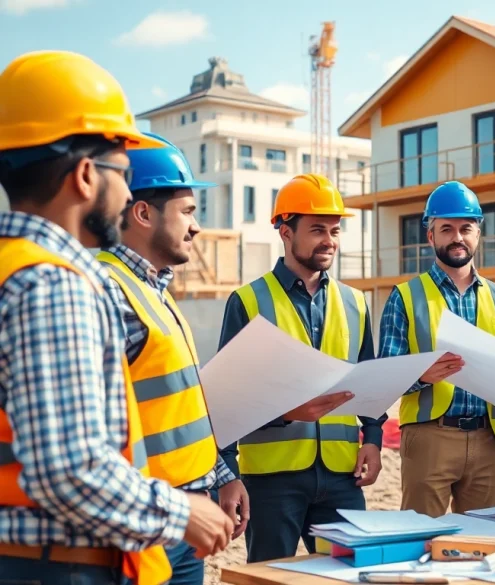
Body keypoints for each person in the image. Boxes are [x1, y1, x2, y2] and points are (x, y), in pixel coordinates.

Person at [0, 50, 233, 584]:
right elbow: (69, 468)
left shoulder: (14, 269)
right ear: (85, 175)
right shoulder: (52, 284)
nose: (128, 194)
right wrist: (184, 512)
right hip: (57, 568)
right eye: (122, 175)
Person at [97, 132, 248, 585]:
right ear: (143, 213)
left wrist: (222, 476)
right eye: (188, 211)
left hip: (188, 518)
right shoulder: (110, 290)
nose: (197, 226)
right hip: (146, 524)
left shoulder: (154, 292)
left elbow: (182, 407)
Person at [216, 173, 384, 562]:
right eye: (317, 229)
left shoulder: (355, 303)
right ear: (285, 232)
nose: (329, 240)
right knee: (272, 577)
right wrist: (227, 472)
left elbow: (371, 382)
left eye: (335, 230)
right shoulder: (248, 301)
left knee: (348, 574)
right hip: (273, 480)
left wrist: (373, 438)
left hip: (343, 477)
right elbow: (225, 400)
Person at [379, 180, 495, 517]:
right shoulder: (405, 296)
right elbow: (384, 374)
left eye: (466, 228)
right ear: (430, 236)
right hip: (430, 436)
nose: (457, 237)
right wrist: (421, 375)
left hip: (489, 438)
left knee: (481, 544)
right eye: (446, 229)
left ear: (478, 233)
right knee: (420, 537)